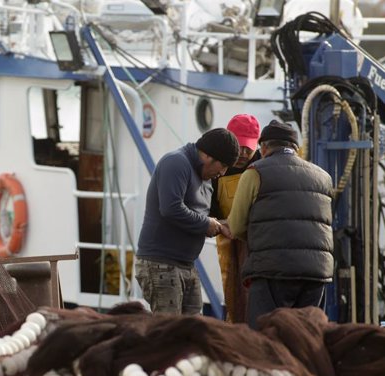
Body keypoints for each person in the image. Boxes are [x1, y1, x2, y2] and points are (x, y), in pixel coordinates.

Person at [226, 120, 333, 329]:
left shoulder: (255, 172)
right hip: (317, 272)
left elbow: (237, 226)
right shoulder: (323, 177)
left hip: (272, 270)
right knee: (307, 337)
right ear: (296, 148)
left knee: (267, 338)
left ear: (263, 147)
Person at [135, 128, 240, 315]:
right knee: (170, 335)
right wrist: (205, 224)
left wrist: (220, 224)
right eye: (222, 165)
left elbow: (198, 213)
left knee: (191, 333)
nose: (223, 173)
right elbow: (171, 208)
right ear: (207, 156)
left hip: (186, 264)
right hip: (161, 263)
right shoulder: (176, 162)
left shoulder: (206, 175)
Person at [210, 114, 261, 323]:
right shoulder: (217, 169)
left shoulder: (262, 165)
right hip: (227, 244)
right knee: (234, 301)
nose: (244, 152)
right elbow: (209, 208)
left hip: (257, 244)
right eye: (240, 146)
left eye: (249, 147)